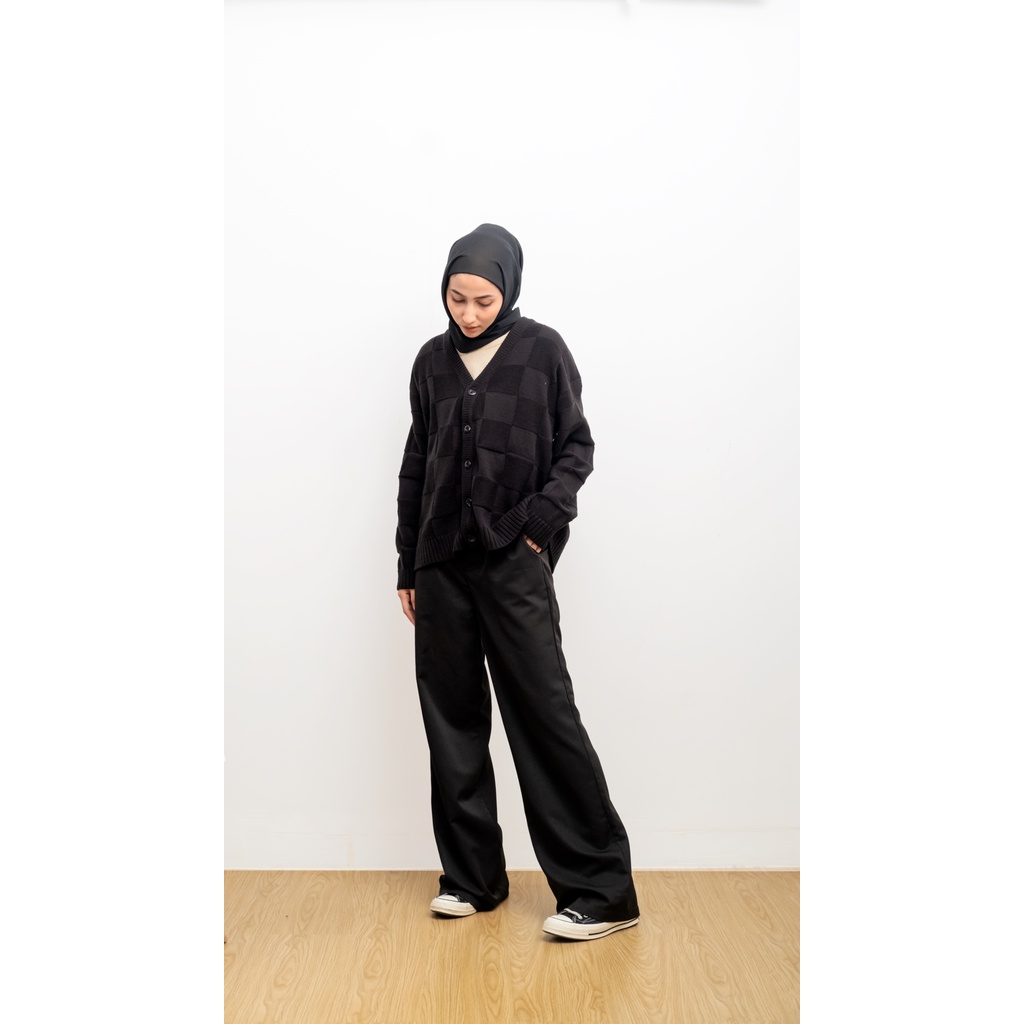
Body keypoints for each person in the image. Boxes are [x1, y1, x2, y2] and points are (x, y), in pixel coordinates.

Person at [396, 223, 640, 941]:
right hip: (441, 566)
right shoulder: (430, 362)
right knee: (452, 722)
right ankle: (472, 879)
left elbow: (576, 448)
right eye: (457, 298)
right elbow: (417, 465)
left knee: (544, 715)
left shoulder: (542, 351)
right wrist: (408, 563)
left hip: (512, 564)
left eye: (483, 299)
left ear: (509, 288)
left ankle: (602, 893)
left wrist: (536, 526)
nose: (469, 313)